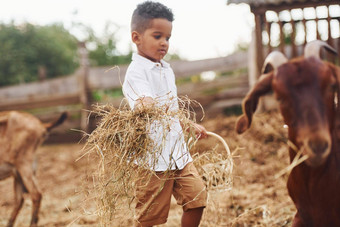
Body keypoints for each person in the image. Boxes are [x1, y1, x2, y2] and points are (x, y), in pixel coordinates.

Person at [122, 1, 208, 226]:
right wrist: (147, 104)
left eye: (168, 38)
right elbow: (145, 105)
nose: (164, 43)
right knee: (150, 217)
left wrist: (188, 124)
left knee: (197, 197)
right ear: (136, 37)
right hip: (151, 157)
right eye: (157, 36)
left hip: (178, 151)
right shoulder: (136, 72)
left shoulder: (166, 69)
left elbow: (171, 107)